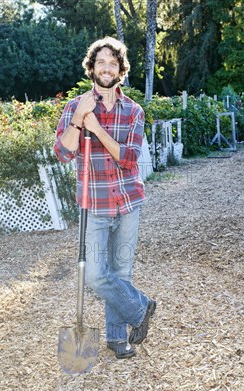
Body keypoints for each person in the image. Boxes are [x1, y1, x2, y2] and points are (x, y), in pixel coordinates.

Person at [53, 37, 156, 359]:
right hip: (94, 205)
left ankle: (116, 339)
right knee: (97, 275)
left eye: (113, 63)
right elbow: (62, 153)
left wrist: (95, 128)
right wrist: (78, 119)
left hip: (127, 203)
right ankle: (140, 308)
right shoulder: (77, 106)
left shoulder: (133, 111)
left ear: (120, 69)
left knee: (122, 272)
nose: (107, 68)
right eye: (101, 63)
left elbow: (128, 158)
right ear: (92, 68)